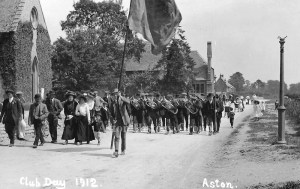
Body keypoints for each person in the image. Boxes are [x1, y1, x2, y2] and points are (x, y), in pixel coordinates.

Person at [112, 89, 130, 158]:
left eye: (117, 93)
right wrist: (112, 119)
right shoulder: (113, 102)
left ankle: (123, 149)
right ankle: (116, 151)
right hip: (117, 121)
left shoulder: (123, 99)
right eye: (114, 93)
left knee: (123, 136)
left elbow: (128, 102)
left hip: (124, 121)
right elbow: (111, 111)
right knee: (116, 136)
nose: (115, 94)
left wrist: (121, 97)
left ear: (119, 93)